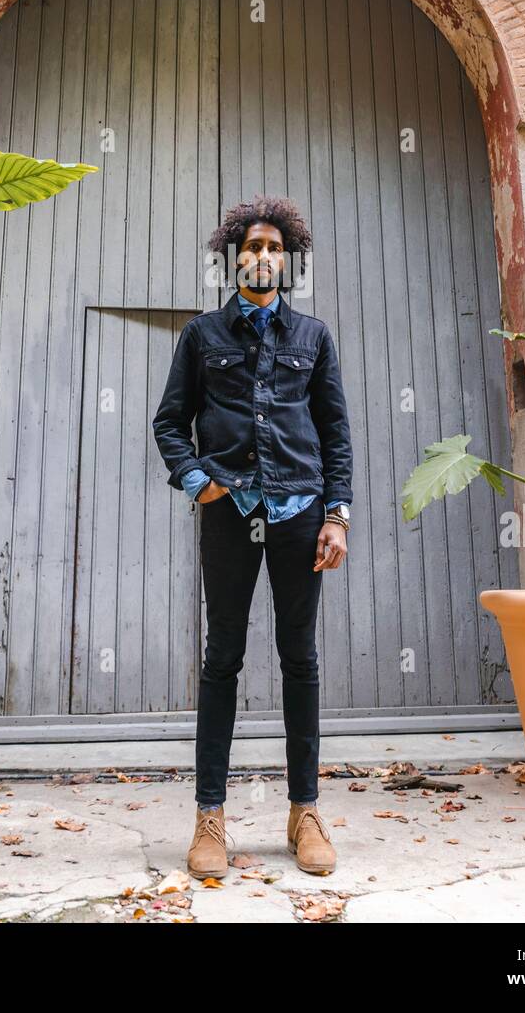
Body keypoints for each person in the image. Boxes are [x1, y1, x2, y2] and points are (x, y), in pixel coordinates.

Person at [152, 194, 354, 879]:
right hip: (231, 512)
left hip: (301, 512)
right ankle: (210, 817)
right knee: (223, 659)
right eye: (252, 248)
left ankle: (304, 812)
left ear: (286, 261)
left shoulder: (313, 337)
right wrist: (195, 479)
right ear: (233, 257)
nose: (262, 257)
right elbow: (169, 422)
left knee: (300, 658)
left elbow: (335, 434)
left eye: (274, 249)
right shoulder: (203, 336)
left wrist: (337, 515)